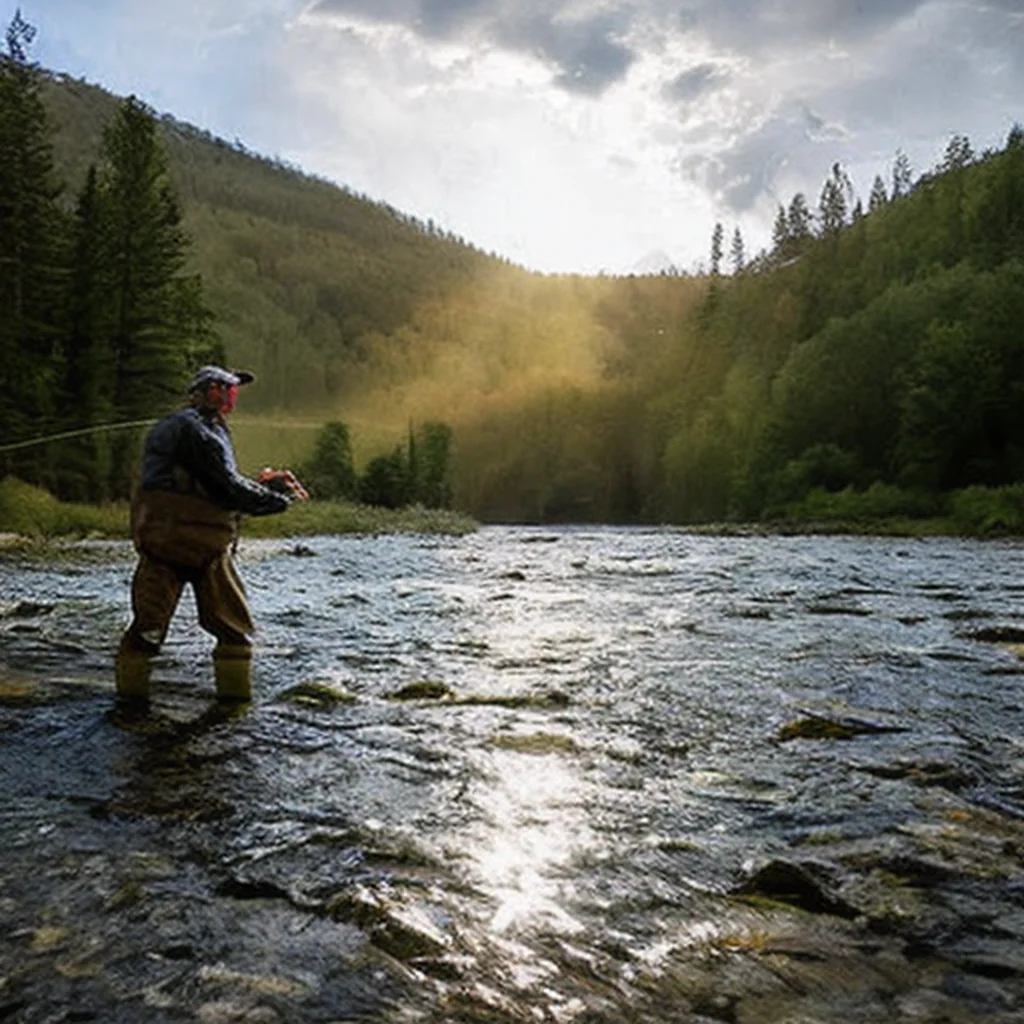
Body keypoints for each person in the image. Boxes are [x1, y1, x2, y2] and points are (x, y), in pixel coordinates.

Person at [116, 365, 307, 703]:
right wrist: (279, 500)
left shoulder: (203, 428)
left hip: (180, 544)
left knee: (150, 633)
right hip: (188, 546)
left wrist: (264, 487)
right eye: (220, 388)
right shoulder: (195, 429)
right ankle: (232, 707)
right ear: (199, 393)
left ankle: (132, 708)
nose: (228, 396)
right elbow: (227, 487)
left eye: (230, 389)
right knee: (230, 634)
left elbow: (214, 482)